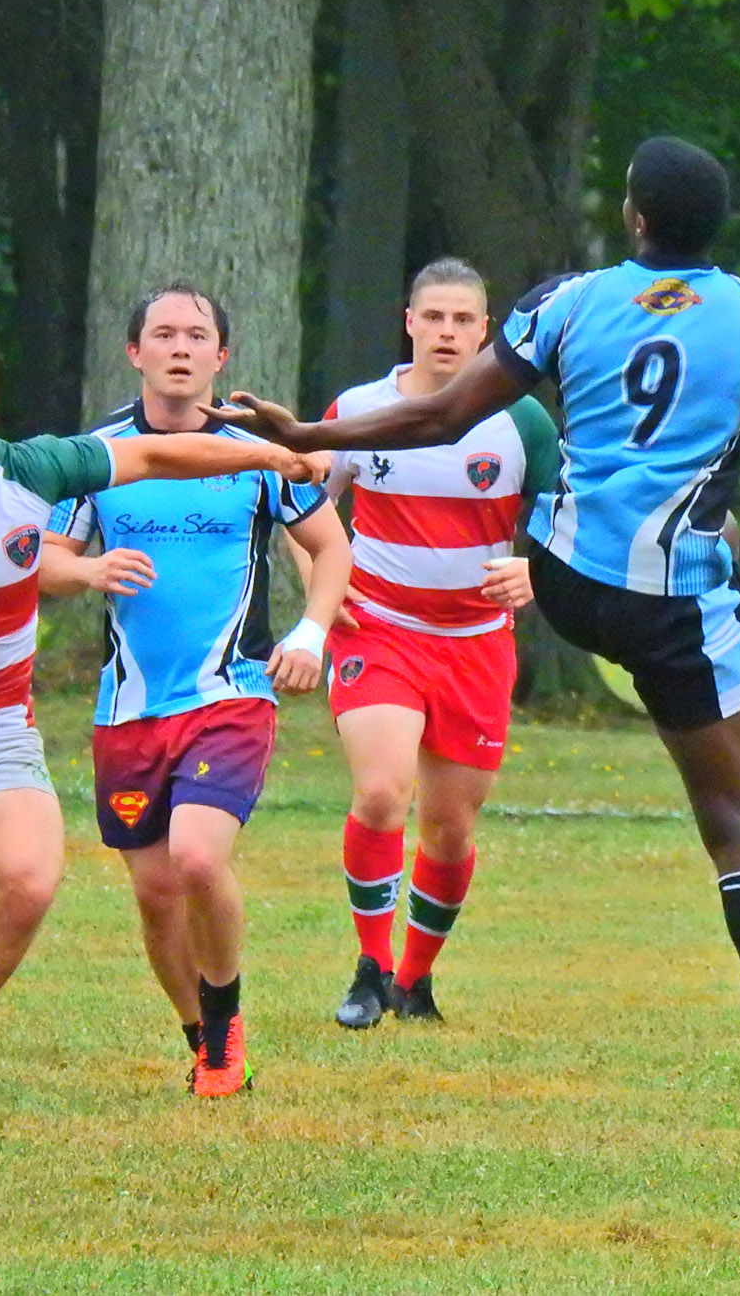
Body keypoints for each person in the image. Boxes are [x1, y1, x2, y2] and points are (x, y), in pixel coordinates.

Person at [211, 136, 740, 1165]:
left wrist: (308, 434)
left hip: (562, 582)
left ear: (634, 216)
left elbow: (440, 416)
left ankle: (737, 765)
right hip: (673, 604)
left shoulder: (567, 300)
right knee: (735, 821)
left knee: (637, 621)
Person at [0, 324, 322, 1134]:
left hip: (0, 726)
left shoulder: (32, 469)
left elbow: (160, 458)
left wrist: (270, 456)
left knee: (30, 886)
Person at [39, 286, 352, 1097]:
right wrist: (88, 567)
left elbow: (331, 546)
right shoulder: (96, 454)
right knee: (154, 896)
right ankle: (202, 1039)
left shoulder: (255, 453)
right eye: (163, 334)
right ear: (134, 352)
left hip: (232, 693)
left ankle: (225, 1029)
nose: (180, 347)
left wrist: (311, 634)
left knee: (198, 859)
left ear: (221, 358)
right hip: (129, 708)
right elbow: (44, 562)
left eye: (197, 335)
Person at [307, 259, 558, 1030]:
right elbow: (299, 502)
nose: (447, 332)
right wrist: (325, 578)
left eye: (463, 321)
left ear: (486, 332)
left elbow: (566, 523)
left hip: (477, 643)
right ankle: (369, 967)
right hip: (377, 628)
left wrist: (533, 570)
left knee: (450, 827)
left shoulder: (521, 421)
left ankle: (414, 981)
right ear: (408, 322)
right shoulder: (361, 407)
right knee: (382, 793)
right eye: (434, 317)